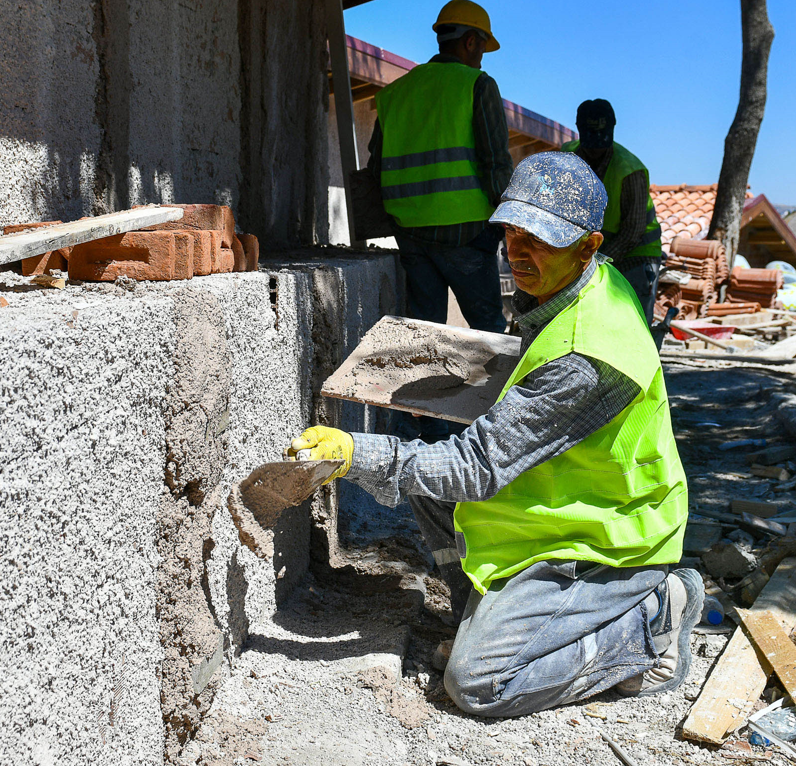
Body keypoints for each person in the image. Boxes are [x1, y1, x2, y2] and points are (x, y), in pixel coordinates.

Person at [289, 152, 699, 718]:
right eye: (512, 231)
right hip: (555, 510)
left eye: (541, 240)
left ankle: (651, 620)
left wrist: (356, 452)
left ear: (589, 245)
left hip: (607, 541)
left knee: (480, 684)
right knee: (423, 475)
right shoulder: (575, 285)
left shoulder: (589, 354)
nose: (518, 251)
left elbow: (477, 468)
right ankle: (472, 606)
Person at [366, 0, 513, 336]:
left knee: (424, 336)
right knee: (488, 334)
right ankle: (492, 392)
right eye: (480, 50)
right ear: (470, 41)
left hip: (411, 235)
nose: (480, 60)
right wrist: (510, 224)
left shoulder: (395, 93)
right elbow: (496, 165)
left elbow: (377, 169)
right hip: (467, 234)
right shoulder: (478, 85)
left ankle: (421, 391)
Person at [562, 99, 663, 317]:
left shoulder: (630, 170)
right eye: (590, 141)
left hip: (637, 255)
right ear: (579, 130)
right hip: (594, 249)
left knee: (632, 319)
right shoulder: (568, 157)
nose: (596, 150)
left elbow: (632, 233)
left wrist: (593, 263)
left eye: (602, 140)